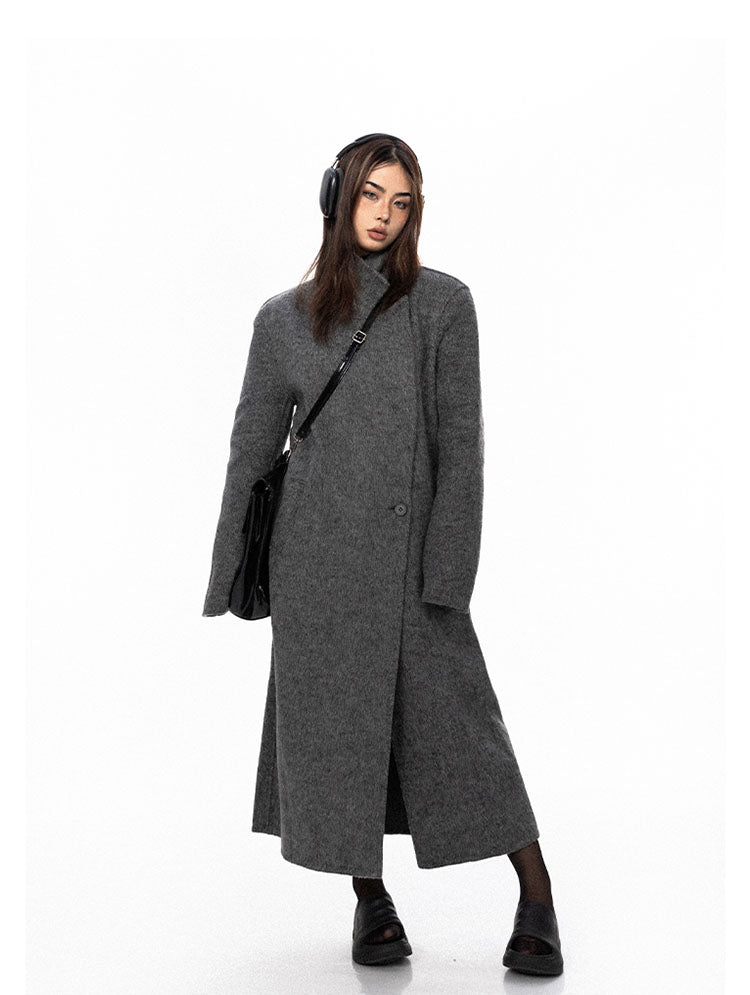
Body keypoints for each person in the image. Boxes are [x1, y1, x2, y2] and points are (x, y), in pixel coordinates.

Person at [202, 133, 564, 977]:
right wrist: (230, 575)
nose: (384, 216)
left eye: (401, 203)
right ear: (337, 198)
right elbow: (251, 453)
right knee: (339, 744)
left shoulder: (443, 304)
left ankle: (538, 893)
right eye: (370, 196)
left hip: (413, 568)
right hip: (316, 565)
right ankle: (370, 899)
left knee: (465, 737)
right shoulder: (283, 319)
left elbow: (463, 448)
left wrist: (450, 573)